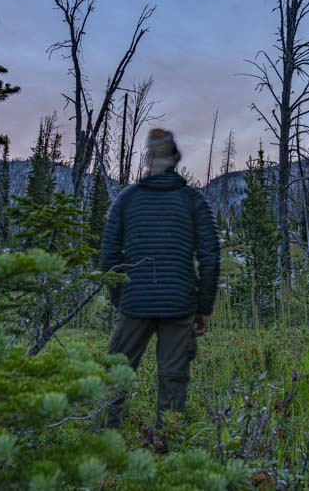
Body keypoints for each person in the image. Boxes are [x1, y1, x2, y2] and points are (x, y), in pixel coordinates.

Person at [99, 128, 220, 429]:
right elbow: (210, 257)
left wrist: (121, 299)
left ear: (148, 160)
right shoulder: (194, 200)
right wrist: (203, 307)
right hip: (179, 303)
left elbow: (108, 254)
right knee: (173, 379)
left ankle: (101, 441)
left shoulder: (126, 200)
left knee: (115, 378)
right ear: (175, 160)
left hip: (134, 303)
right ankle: (167, 442)